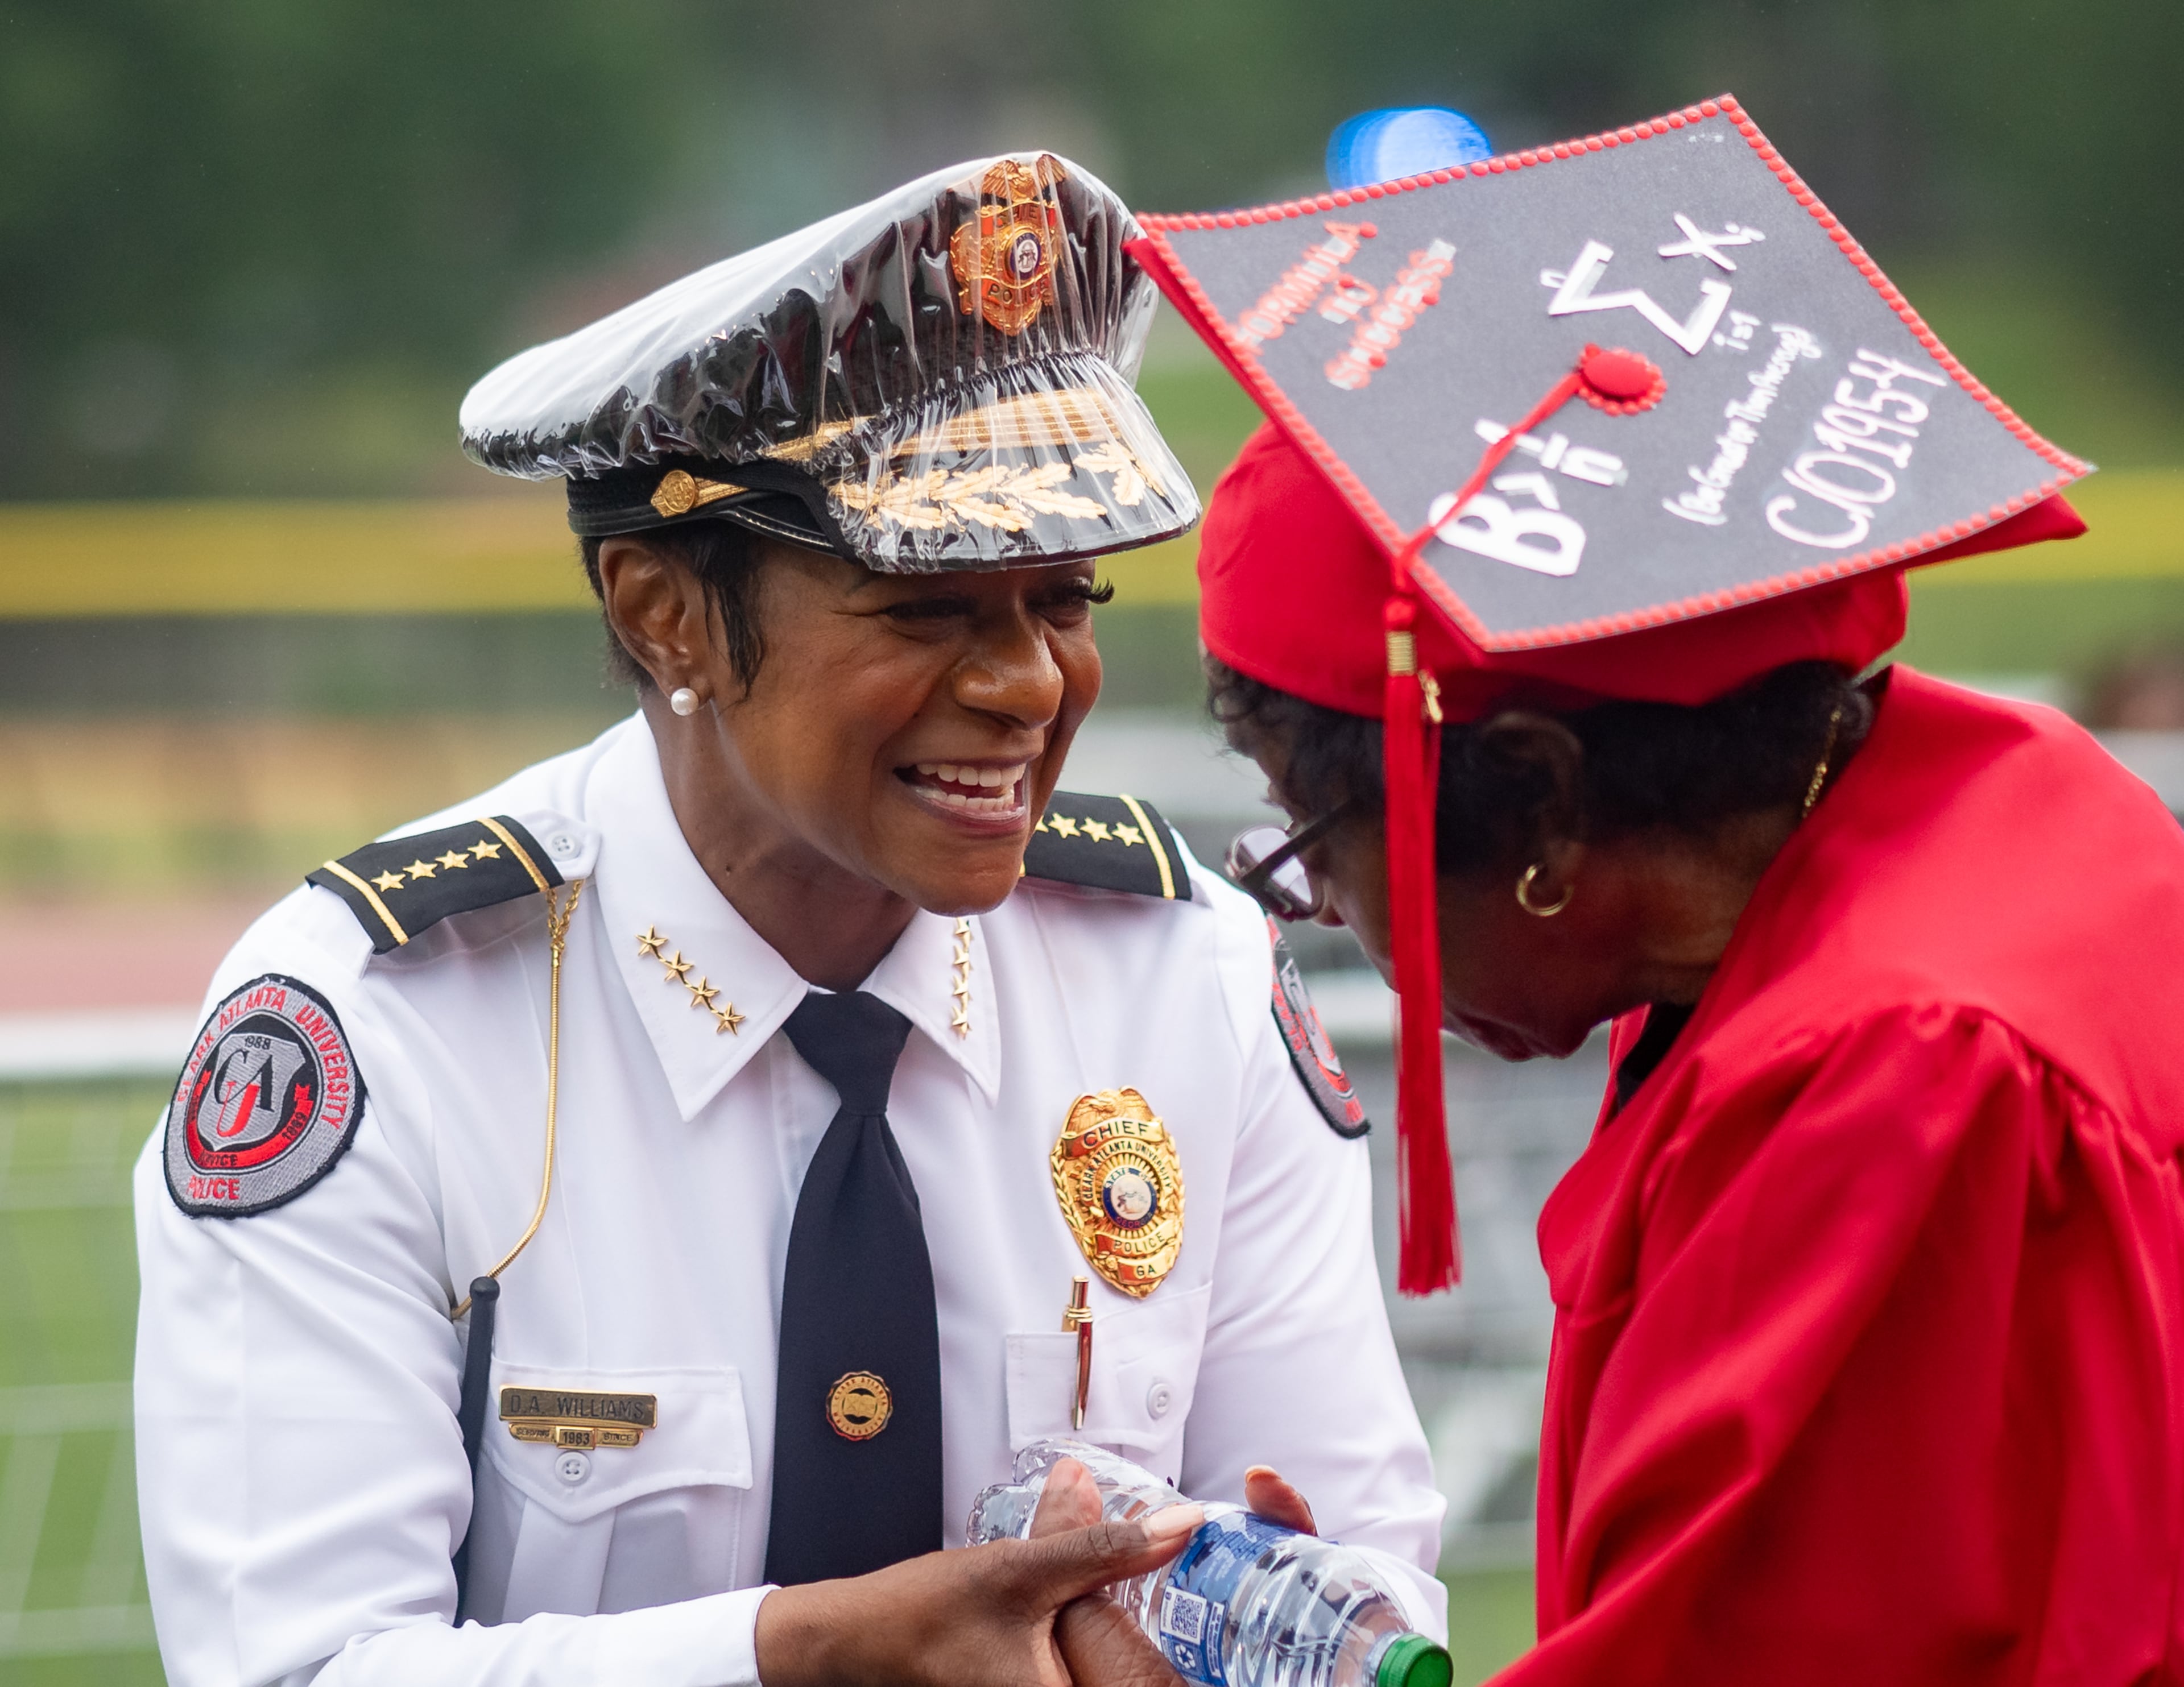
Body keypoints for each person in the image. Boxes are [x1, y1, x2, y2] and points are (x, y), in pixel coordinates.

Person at [133, 153, 1446, 1687]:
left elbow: (1367, 1585)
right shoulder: (385, 1022)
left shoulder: (1184, 976)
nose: (1028, 684)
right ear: (660, 614)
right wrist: (802, 1656)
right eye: (929, 606)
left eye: (1067, 599)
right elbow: (297, 1669)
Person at [1132, 96, 2184, 1681]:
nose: (1328, 909)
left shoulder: (1892, 1081)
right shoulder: (2012, 810)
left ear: (1546, 801)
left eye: (1314, 839)